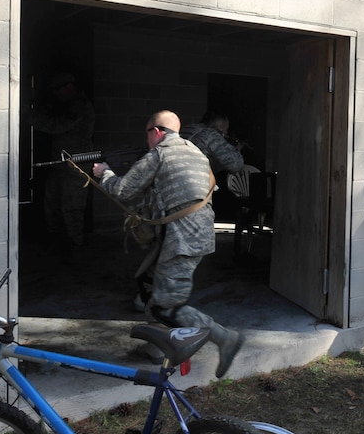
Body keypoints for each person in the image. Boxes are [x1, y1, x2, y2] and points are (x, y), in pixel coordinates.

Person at [92, 110, 244, 378]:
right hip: (192, 235)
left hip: (182, 240)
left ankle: (224, 338)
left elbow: (122, 190)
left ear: (157, 132)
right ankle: (157, 348)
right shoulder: (195, 151)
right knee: (151, 287)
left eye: (148, 134)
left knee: (166, 305)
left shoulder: (159, 153)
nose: (148, 140)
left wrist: (104, 173)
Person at [26, 71, 95, 258]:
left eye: (57, 90)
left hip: (75, 166)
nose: (55, 94)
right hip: (60, 164)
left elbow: (57, 126)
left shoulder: (79, 105)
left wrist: (28, 116)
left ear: (68, 87)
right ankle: (58, 245)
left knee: (71, 209)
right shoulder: (65, 104)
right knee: (52, 206)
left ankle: (75, 248)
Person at [180, 111, 244, 174]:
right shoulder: (211, 135)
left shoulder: (186, 130)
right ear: (220, 127)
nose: (226, 132)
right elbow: (236, 165)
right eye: (226, 129)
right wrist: (236, 150)